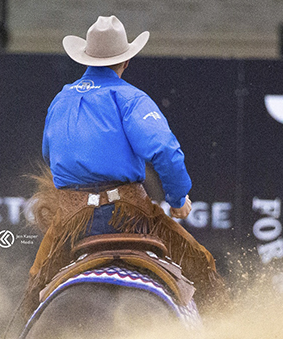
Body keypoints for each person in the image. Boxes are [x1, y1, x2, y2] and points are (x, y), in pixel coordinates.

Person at [23, 15, 225, 317]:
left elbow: (49, 154)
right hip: (129, 215)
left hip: (71, 220)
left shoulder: (61, 100)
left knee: (33, 291)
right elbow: (165, 152)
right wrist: (177, 199)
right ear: (126, 61)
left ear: (86, 58)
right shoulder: (131, 98)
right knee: (202, 266)